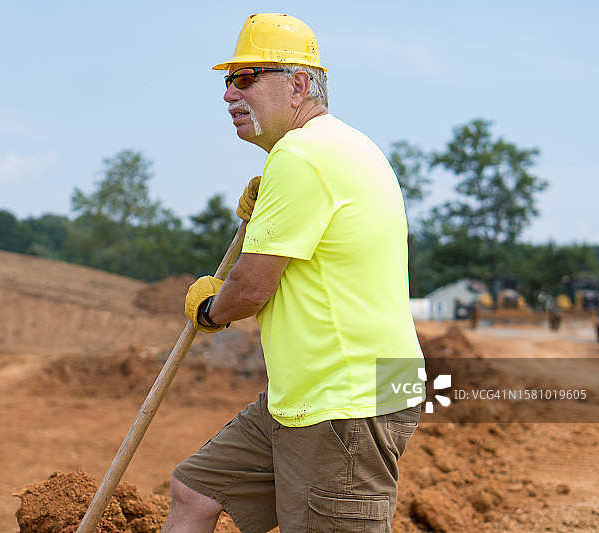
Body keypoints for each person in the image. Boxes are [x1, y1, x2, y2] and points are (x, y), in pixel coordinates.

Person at [163, 13, 425, 533]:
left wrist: (211, 309)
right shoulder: (344, 145)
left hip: (344, 398)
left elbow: (252, 289)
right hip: (319, 390)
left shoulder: (301, 156)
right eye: (227, 80)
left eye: (246, 78)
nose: (229, 95)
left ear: (299, 84)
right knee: (196, 491)